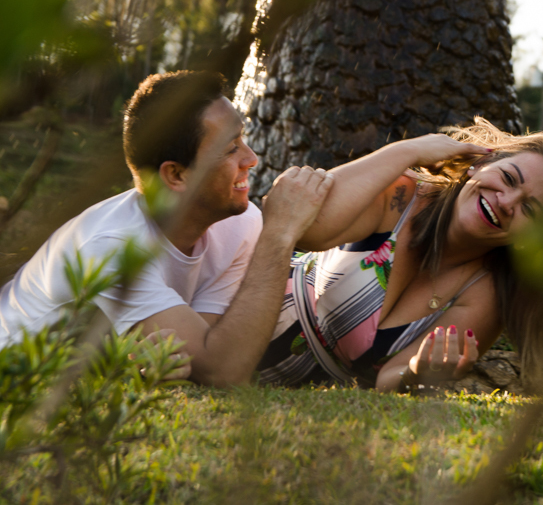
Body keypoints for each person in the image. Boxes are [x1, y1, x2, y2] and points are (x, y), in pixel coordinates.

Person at [0, 70, 335, 387]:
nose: (252, 159)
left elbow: (208, 350)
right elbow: (222, 370)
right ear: (176, 175)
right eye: (231, 148)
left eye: (242, 140)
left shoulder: (238, 224)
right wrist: (279, 235)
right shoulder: (111, 246)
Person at [256, 118, 543, 392]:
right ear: (480, 164)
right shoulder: (402, 194)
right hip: (243, 316)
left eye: (529, 209)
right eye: (507, 178)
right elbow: (309, 228)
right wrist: (409, 150)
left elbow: (391, 378)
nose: (506, 202)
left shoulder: (485, 293)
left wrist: (417, 373)